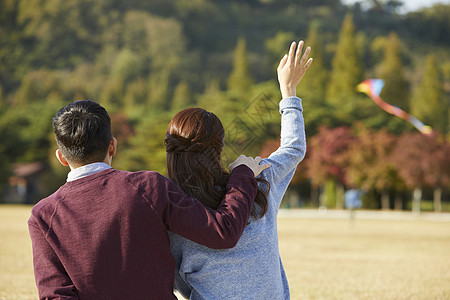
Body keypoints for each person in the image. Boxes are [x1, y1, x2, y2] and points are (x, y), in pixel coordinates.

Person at [28, 100, 270, 299]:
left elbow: (56, 295)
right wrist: (242, 175)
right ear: (112, 146)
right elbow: (223, 232)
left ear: (61, 156)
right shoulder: (149, 187)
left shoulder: (42, 216)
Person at [166, 41, 312, 299]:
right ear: (219, 148)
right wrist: (288, 90)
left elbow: (180, 283)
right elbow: (294, 148)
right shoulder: (259, 181)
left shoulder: (170, 211)